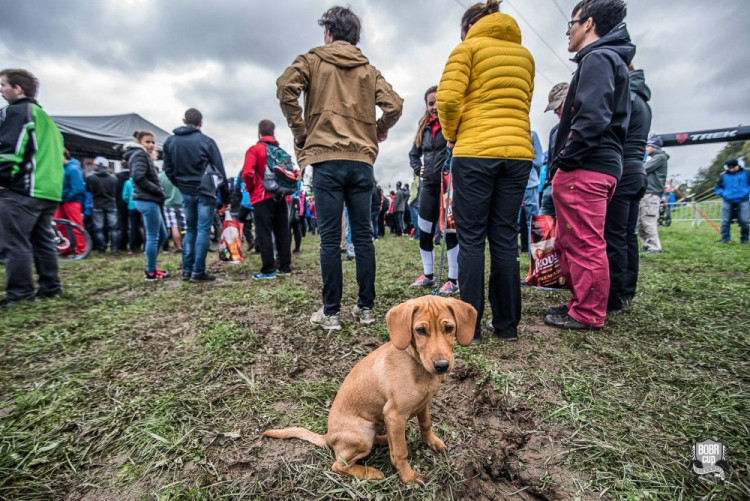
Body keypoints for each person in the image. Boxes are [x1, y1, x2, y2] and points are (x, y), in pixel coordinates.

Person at [277, 5, 403, 330]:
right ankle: (366, 310)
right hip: (361, 162)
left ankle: (331, 313)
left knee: (330, 239)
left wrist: (302, 132)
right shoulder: (368, 70)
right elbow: (395, 105)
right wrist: (378, 129)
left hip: (326, 161)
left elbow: (285, 88)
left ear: (329, 33)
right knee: (363, 236)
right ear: (355, 37)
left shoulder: (313, 59)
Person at [436, 0, 535, 342]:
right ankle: (507, 326)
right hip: (519, 152)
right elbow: (524, 102)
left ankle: (470, 329)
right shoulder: (525, 56)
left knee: (472, 239)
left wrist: (452, 136)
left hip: (475, 149)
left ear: (469, 27)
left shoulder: (467, 48)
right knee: (505, 238)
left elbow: (447, 101)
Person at [544, 0, 633, 331]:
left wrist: (565, 159)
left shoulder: (597, 58)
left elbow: (593, 117)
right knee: (578, 239)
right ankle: (581, 302)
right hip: (600, 165)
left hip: (586, 166)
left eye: (571, 23)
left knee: (583, 241)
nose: (568, 31)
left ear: (589, 23)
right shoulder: (608, 59)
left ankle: (587, 312)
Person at [0, 68, 64, 307]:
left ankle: (20, 293)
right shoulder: (46, 118)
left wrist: (3, 179)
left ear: (18, 88)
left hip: (24, 189)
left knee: (15, 243)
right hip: (49, 189)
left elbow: (11, 150)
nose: (1, 90)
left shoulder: (18, 112)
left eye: (4, 85)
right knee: (42, 240)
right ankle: (51, 286)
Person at [605, 65, 652, 313]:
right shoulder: (643, 100)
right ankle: (625, 291)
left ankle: (612, 298)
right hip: (637, 170)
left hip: (621, 171)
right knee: (626, 235)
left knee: (612, 235)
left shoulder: (626, 96)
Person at [163, 108, 230, 282]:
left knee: (191, 230)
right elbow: (220, 170)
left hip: (185, 190)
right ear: (201, 123)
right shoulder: (206, 142)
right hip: (205, 191)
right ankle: (197, 271)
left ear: (184, 121)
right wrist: (226, 198)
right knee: (203, 230)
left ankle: (187, 270)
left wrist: (180, 184)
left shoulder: (170, 142)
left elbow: (168, 170)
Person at [409, 85, 459, 295]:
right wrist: (417, 168)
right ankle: (428, 276)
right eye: (431, 103)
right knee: (424, 232)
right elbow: (413, 155)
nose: (435, 107)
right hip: (428, 186)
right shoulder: (423, 128)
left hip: (448, 186)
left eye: (438, 102)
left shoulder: (453, 124)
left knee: (450, 233)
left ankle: (453, 280)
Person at [241, 119, 293, 279]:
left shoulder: (255, 150)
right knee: (282, 231)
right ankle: (285, 267)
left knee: (264, 232)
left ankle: (268, 269)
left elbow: (247, 173)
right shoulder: (279, 150)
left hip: (261, 195)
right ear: (273, 132)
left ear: (259, 132)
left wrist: (251, 189)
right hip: (281, 195)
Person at [124, 130, 169, 281]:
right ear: (139, 142)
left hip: (150, 200)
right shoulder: (139, 155)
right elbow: (138, 177)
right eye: (147, 142)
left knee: (162, 234)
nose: (151, 145)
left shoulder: (142, 156)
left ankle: (152, 266)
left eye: (152, 142)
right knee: (153, 236)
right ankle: (150, 271)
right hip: (147, 200)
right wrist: (158, 191)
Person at [539, 82, 569, 216]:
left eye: (558, 107)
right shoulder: (554, 131)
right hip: (550, 188)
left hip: (570, 188)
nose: (555, 111)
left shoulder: (582, 127)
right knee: (541, 234)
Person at [637, 136, 669, 253]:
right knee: (641, 221)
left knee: (648, 219)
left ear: (653, 146)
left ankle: (654, 246)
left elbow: (645, 169)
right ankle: (646, 244)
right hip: (646, 192)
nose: (646, 148)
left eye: (648, 146)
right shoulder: (655, 158)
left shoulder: (659, 157)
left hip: (651, 193)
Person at [55, 149, 86, 254]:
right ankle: (64, 248)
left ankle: (81, 250)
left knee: (76, 226)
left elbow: (78, 188)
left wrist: (67, 197)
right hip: (61, 201)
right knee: (59, 226)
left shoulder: (73, 169)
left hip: (72, 201)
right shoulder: (60, 169)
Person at [85, 156, 119, 253]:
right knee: (113, 228)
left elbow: (88, 190)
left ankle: (102, 247)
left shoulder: (90, 177)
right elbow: (115, 191)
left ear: (95, 165)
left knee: (98, 228)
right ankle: (114, 248)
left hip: (97, 204)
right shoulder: (113, 178)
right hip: (111, 203)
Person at [715, 158, 749, 244]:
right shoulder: (723, 175)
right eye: (729, 168)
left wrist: (747, 191)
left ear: (738, 165)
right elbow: (717, 188)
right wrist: (724, 194)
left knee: (744, 221)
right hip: (728, 200)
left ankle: (744, 239)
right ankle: (725, 239)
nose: (732, 169)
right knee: (725, 221)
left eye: (734, 167)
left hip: (743, 199)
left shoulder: (747, 172)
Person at [159, 169, 185, 252]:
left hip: (168, 203)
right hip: (182, 202)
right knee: (186, 226)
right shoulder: (180, 173)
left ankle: (179, 247)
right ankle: (188, 245)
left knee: (174, 226)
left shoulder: (161, 176)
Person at [120, 177, 143, 254]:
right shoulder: (142, 181)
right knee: (145, 227)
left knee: (133, 227)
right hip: (142, 204)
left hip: (132, 206)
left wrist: (130, 201)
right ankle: (145, 246)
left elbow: (124, 196)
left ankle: (132, 247)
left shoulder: (128, 182)